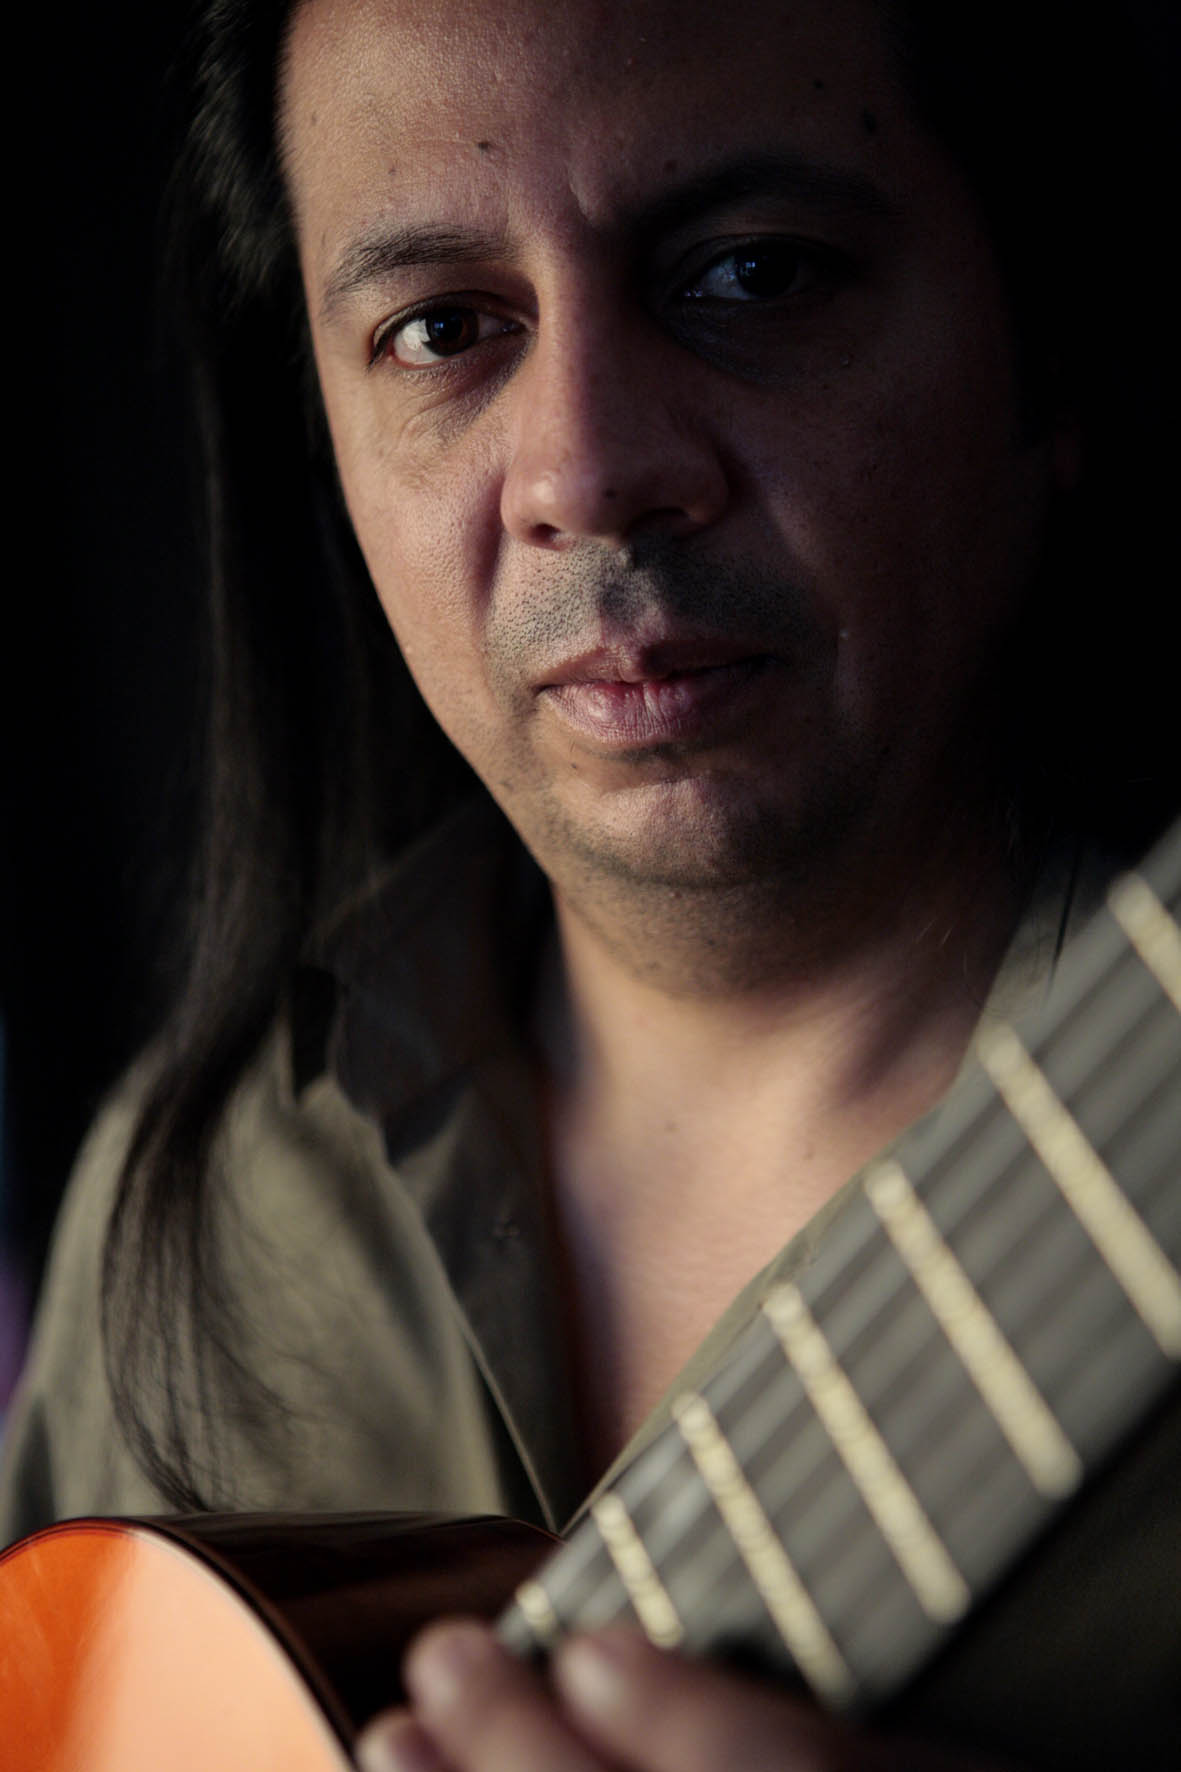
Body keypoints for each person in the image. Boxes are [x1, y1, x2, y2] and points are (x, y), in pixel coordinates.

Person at [2, 0, 1176, 1767]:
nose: (586, 472)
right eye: (441, 329)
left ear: (1050, 349)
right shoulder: (210, 1195)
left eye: (753, 274)